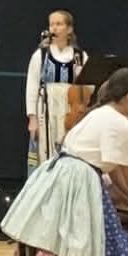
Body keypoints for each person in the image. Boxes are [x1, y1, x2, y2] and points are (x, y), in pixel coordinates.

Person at [1, 67, 128, 256]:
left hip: (59, 172)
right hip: (79, 177)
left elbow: (119, 178)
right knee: (124, 255)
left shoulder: (99, 113)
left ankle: (68, 255)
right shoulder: (119, 123)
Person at [25, 10, 89, 173]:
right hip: (47, 108)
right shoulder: (41, 55)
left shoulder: (80, 56)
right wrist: (32, 118)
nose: (54, 28)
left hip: (70, 109)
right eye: (51, 24)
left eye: (59, 24)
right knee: (45, 150)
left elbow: (87, 87)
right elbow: (32, 86)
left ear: (69, 29)